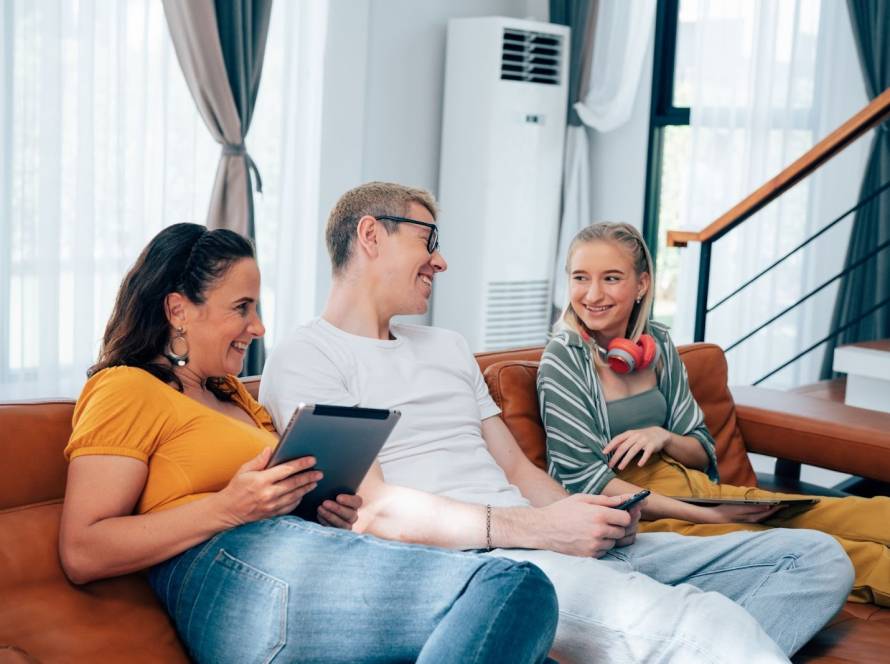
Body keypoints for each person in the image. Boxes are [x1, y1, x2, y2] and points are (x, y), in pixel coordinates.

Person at [260, 181, 855, 664]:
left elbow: (517, 466)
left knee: (816, 559)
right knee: (709, 625)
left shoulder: (445, 345)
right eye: (427, 238)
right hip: (487, 570)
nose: (440, 260)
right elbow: (377, 511)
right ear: (370, 235)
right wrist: (543, 532)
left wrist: (583, 516)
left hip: (549, 539)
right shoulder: (310, 356)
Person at [59, 223, 560, 664]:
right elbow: (82, 549)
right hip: (231, 575)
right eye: (241, 308)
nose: (258, 328)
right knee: (513, 586)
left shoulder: (234, 396)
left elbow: (266, 501)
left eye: (257, 308)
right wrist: (228, 508)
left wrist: (318, 508)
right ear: (178, 311)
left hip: (300, 552)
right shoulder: (126, 386)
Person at [538, 220, 890, 607]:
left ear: (641, 285)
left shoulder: (658, 344)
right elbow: (589, 483)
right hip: (644, 517)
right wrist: (711, 516)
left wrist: (664, 435)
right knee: (848, 552)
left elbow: (701, 448)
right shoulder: (562, 360)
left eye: (611, 278)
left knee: (859, 511)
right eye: (580, 277)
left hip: (696, 490)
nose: (592, 294)